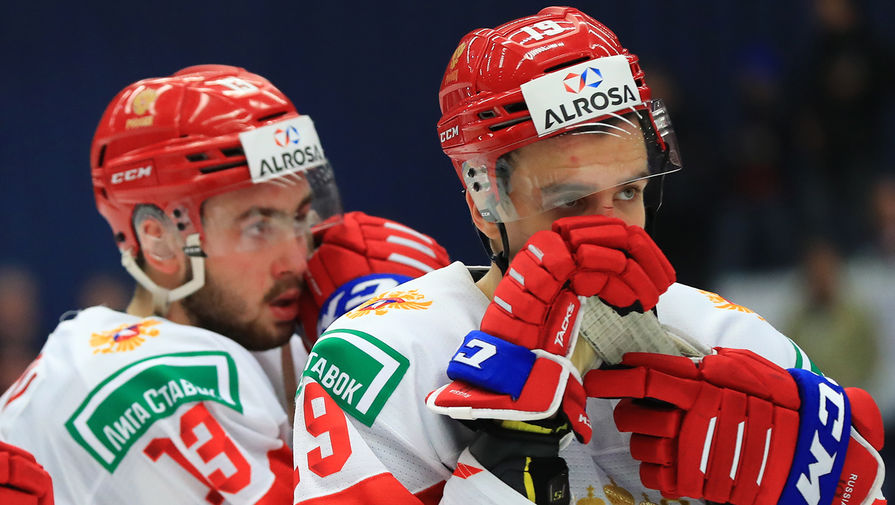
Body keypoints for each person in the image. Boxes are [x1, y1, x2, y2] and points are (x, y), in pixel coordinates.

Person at [292, 7, 886, 505]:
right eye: (571, 203)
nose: (611, 234)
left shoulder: (729, 340)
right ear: (483, 204)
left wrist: (825, 491)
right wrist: (506, 458)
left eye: (628, 192)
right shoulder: (386, 359)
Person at [0, 64, 449, 505]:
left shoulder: (272, 343)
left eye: (300, 216)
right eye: (258, 227)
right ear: (160, 241)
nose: (297, 258)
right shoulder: (144, 381)